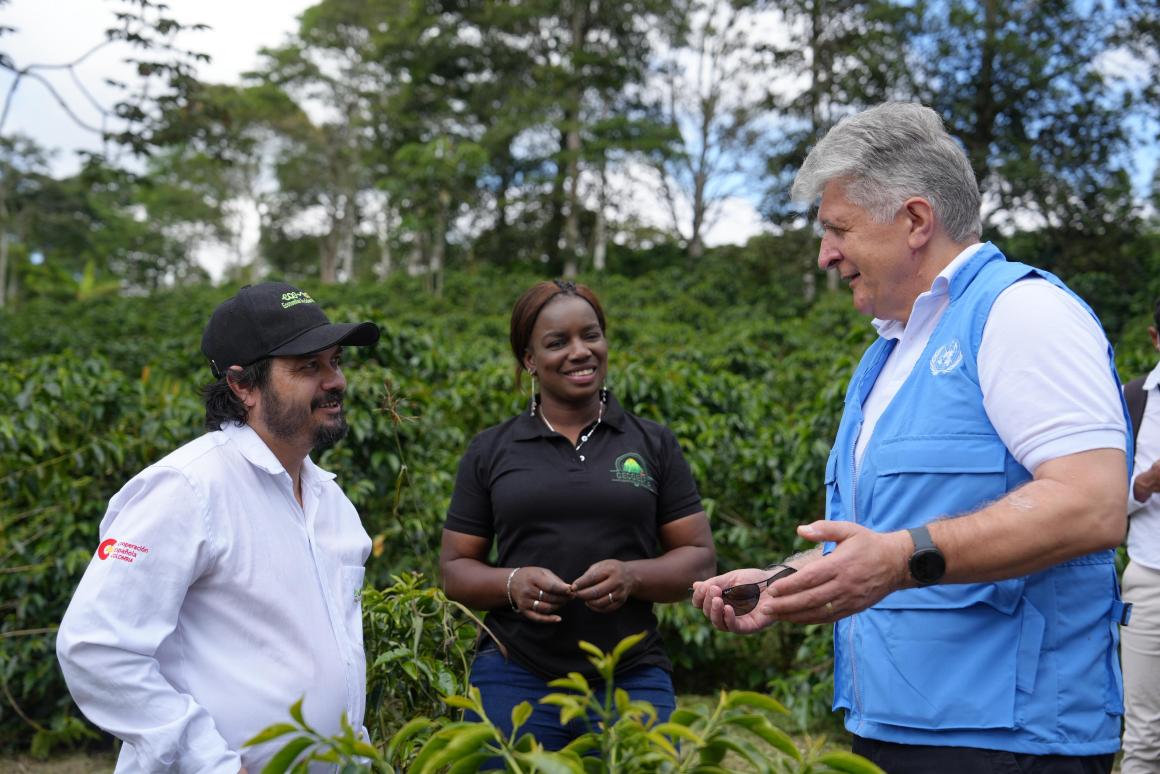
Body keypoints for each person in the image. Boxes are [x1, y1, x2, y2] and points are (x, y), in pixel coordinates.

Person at [692, 102, 1132, 772]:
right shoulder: (889, 356)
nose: (826, 254)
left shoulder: (1023, 314)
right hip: (894, 727)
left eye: (838, 228)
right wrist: (784, 583)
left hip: (1011, 743)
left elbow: (1093, 504)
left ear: (916, 221)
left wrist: (898, 559)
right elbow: (890, 539)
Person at [57, 282, 380, 773]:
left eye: (335, 361)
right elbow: (95, 646)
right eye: (308, 367)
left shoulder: (331, 501)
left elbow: (337, 656)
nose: (334, 380)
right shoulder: (188, 488)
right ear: (243, 385)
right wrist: (208, 761)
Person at [440, 280, 715, 750]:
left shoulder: (651, 443)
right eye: (556, 342)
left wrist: (632, 576)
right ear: (529, 360)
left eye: (591, 335)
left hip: (630, 675)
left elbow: (699, 559)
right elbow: (454, 570)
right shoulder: (492, 449)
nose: (580, 351)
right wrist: (512, 584)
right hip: (514, 674)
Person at [1121, 301, 1160, 774]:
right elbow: (1102, 498)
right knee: (1145, 734)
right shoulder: (1134, 401)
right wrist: (1144, 483)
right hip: (1150, 577)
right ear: (1155, 339)